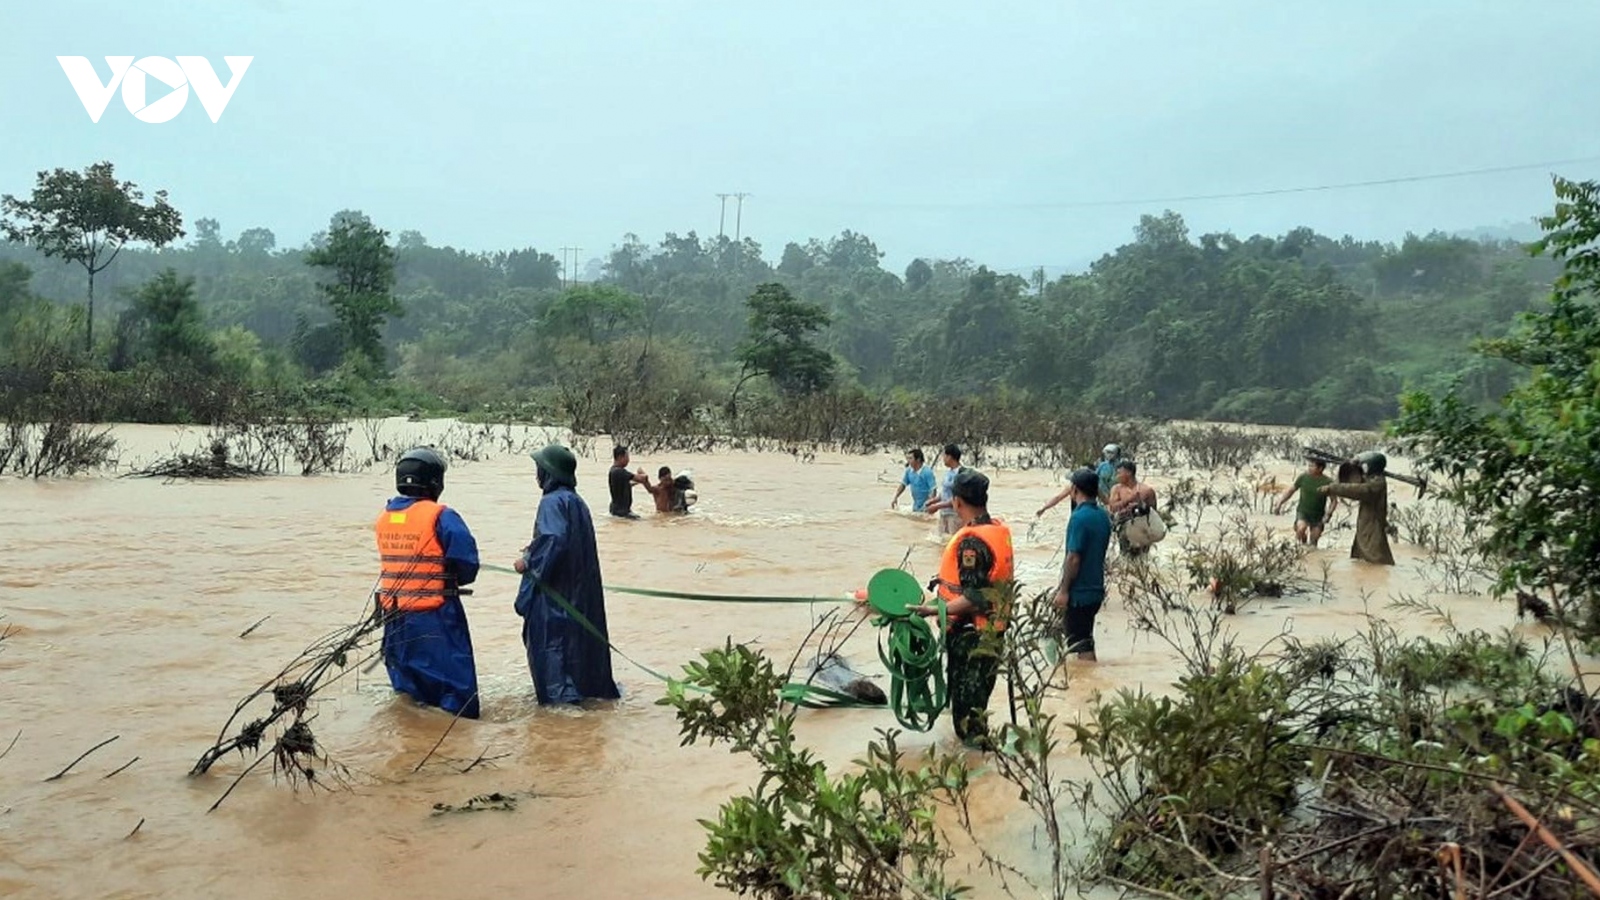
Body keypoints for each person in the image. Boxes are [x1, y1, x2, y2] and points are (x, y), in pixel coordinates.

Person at [373, 447, 482, 718]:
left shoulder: (385, 517)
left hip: (395, 617)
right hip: (436, 617)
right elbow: (467, 565)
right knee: (457, 698)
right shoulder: (441, 516)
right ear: (435, 482)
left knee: (410, 695)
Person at [910, 469, 1013, 750]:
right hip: (991, 633)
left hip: (972, 638)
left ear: (957, 502)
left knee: (968, 719)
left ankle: (977, 775)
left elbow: (976, 596)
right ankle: (986, 778)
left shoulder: (971, 542)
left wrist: (931, 612)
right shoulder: (996, 529)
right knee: (976, 709)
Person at [513, 444, 623, 704]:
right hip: (578, 596)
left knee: (554, 656)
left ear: (548, 472)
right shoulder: (577, 502)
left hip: (556, 601)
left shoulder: (551, 502)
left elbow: (553, 540)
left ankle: (562, 705)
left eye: (539, 469)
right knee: (579, 651)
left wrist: (528, 561)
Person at [1053, 468, 1113, 661]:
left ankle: (1090, 685)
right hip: (1096, 588)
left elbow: (1074, 558)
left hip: (1080, 592)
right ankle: (1087, 684)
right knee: (1083, 637)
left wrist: (1063, 590)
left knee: (1081, 643)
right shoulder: (1103, 516)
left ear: (1075, 490)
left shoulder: (1078, 518)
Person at [1319, 451, 1394, 565]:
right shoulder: (1372, 479)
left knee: (1376, 560)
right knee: (1362, 561)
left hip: (1372, 526)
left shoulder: (1377, 483)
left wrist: (1333, 488)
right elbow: (1352, 481)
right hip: (1366, 525)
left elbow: (1357, 490)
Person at [1275, 457, 1337, 548]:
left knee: (1313, 542)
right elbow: (1291, 491)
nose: (1309, 468)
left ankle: (1311, 557)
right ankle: (1301, 547)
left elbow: (1334, 501)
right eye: (1309, 466)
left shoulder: (1328, 482)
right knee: (1301, 529)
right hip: (1303, 512)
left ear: (1320, 468)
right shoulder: (1303, 477)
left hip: (1318, 515)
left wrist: (1329, 514)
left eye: (1312, 466)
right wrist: (1280, 503)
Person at [1108, 459, 1160, 556]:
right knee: (1125, 556)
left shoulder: (1147, 490)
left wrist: (1140, 506)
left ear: (1128, 473)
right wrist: (1129, 499)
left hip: (1143, 529)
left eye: (1119, 473)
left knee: (1142, 558)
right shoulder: (1116, 489)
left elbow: (1154, 514)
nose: (1117, 475)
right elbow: (1112, 508)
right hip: (1124, 528)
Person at [922, 444, 966, 536]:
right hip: (944, 513)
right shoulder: (949, 472)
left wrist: (937, 506)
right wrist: (933, 501)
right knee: (941, 542)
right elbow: (944, 493)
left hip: (955, 515)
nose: (943, 458)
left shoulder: (960, 474)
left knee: (953, 542)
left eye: (944, 455)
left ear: (950, 457)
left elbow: (957, 498)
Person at [606, 445, 650, 519]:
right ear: (620, 457)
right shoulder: (620, 471)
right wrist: (642, 473)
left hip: (616, 509)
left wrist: (636, 482)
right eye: (627, 457)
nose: (628, 460)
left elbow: (625, 485)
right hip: (622, 511)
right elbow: (642, 479)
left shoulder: (613, 470)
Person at [890, 448, 937, 514]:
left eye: (911, 458)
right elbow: (903, 485)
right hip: (916, 505)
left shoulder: (927, 472)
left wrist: (930, 503)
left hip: (927, 507)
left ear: (918, 459)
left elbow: (933, 489)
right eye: (908, 458)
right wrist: (895, 497)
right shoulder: (909, 471)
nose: (908, 461)